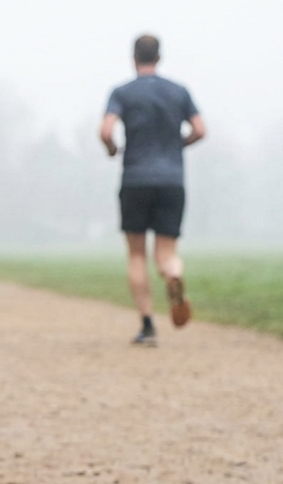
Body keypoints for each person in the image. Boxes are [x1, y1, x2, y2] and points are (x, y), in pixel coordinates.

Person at [100, 34, 205, 347]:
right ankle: (172, 273)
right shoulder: (179, 92)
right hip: (172, 179)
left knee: (136, 254)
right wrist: (179, 144)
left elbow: (106, 130)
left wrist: (112, 148)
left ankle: (147, 325)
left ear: (134, 58)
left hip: (135, 178)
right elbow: (200, 130)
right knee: (166, 253)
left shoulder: (122, 92)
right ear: (159, 57)